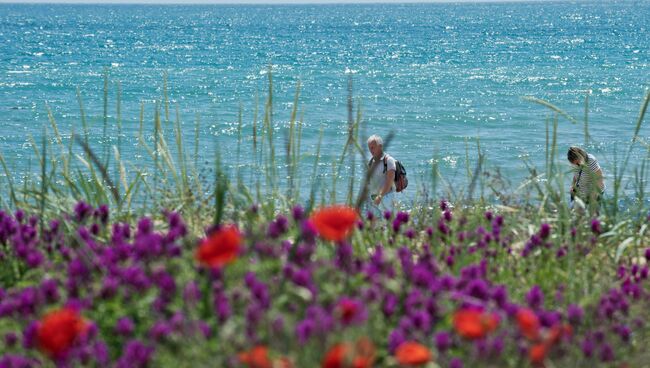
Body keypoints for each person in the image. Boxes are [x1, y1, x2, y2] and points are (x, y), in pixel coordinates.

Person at [367, 134, 397, 215]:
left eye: (373, 147)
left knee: (388, 225)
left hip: (386, 198)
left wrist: (380, 197)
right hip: (373, 199)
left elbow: (389, 182)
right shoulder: (371, 162)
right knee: (373, 225)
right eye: (369, 148)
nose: (370, 150)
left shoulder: (389, 160)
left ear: (380, 146)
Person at [567, 146, 604, 211]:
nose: (576, 164)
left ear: (580, 156)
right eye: (574, 163)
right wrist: (572, 185)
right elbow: (576, 174)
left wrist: (594, 195)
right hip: (581, 192)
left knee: (594, 216)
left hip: (593, 192)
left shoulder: (590, 160)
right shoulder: (574, 162)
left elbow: (600, 179)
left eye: (577, 163)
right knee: (577, 216)